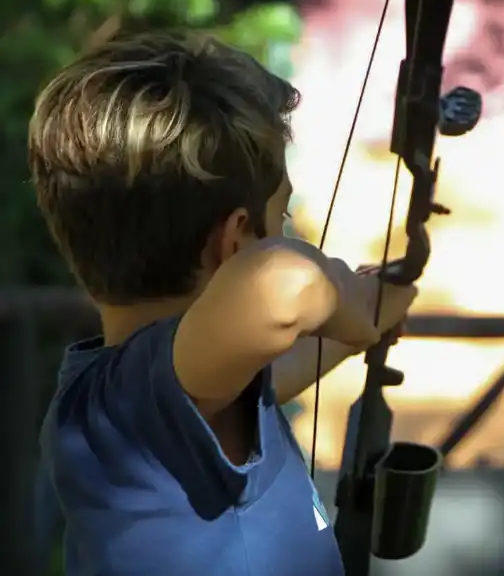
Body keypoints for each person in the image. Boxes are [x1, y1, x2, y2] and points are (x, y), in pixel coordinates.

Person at [30, 31, 417, 576]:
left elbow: (273, 375)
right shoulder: (130, 403)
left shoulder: (155, 403)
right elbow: (284, 285)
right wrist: (358, 302)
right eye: (281, 216)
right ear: (236, 240)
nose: (290, 230)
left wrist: (362, 329)